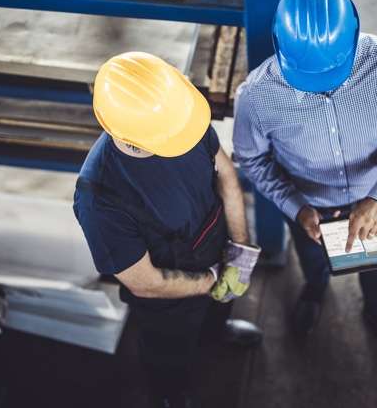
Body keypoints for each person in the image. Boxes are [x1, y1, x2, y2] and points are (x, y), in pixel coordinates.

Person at [233, 0, 377, 355]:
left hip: (375, 194)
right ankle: (314, 291)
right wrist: (296, 207)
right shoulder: (257, 97)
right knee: (313, 261)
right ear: (280, 46)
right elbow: (252, 158)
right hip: (308, 206)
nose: (321, 89)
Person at [74, 52, 262, 408]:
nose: (183, 137)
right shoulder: (100, 196)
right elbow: (144, 282)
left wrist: (240, 250)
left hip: (217, 248)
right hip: (168, 300)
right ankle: (169, 395)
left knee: (218, 310)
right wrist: (212, 280)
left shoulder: (179, 117)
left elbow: (225, 174)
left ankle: (217, 332)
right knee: (169, 354)